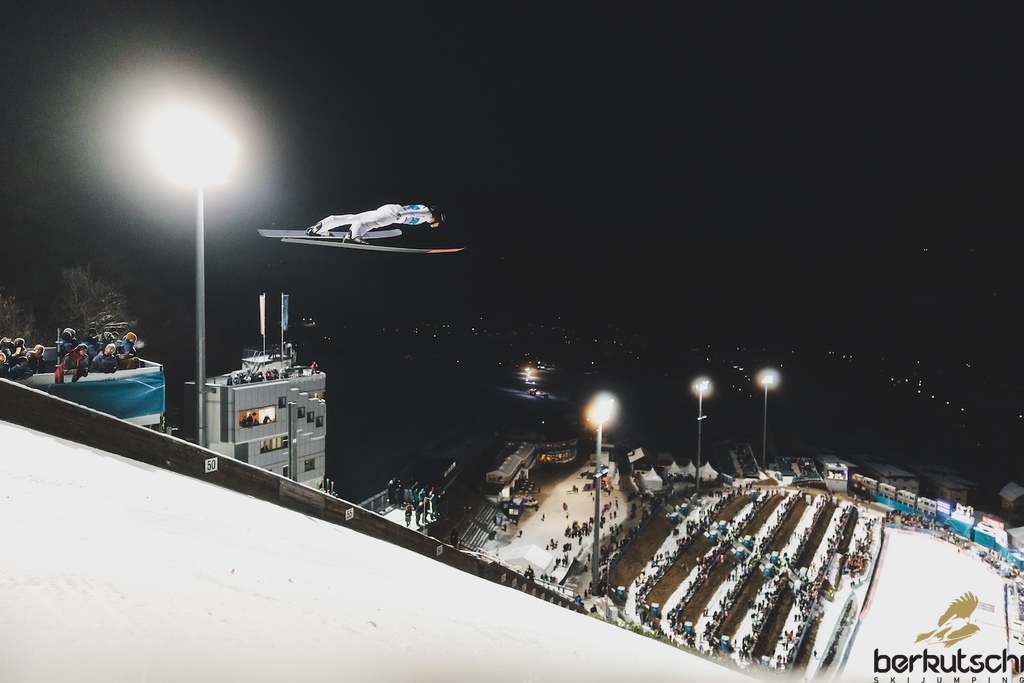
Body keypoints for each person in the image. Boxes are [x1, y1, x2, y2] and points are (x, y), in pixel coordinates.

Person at [305, 204, 445, 242]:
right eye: (439, 223)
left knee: (354, 218)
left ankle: (319, 227)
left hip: (390, 209)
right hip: (394, 214)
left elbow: (414, 210)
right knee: (369, 223)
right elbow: (413, 213)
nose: (437, 226)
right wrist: (398, 216)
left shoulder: (424, 208)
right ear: (437, 218)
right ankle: (353, 235)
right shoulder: (427, 214)